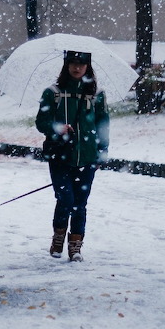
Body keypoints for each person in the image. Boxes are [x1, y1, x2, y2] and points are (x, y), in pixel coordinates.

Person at [35, 49, 110, 262]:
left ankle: (75, 246)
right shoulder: (53, 92)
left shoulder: (97, 94)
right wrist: (58, 128)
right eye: (73, 63)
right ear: (66, 65)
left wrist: (102, 152)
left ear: (88, 66)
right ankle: (58, 237)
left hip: (87, 156)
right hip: (60, 156)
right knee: (65, 199)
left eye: (81, 64)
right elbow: (41, 122)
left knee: (80, 203)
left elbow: (103, 124)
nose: (77, 68)